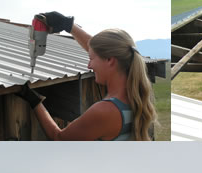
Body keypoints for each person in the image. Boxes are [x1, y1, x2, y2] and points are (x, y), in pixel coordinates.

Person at [17, 11, 156, 141]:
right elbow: (100, 48)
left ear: (110, 60)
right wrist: (69, 26)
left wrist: (35, 102)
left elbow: (59, 137)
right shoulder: (135, 94)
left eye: (91, 58)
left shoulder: (105, 111)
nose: (89, 66)